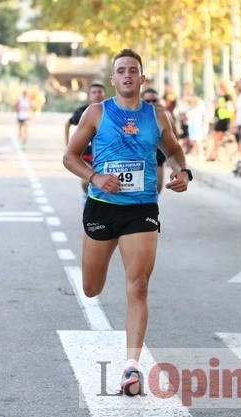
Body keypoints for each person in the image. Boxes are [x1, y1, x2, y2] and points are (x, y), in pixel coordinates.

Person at [63, 49, 190, 396]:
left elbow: (175, 151)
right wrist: (94, 177)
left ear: (142, 78)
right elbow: (69, 156)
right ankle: (94, 274)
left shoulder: (158, 116)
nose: (128, 76)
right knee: (92, 288)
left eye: (133, 70)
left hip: (141, 208)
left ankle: (131, 366)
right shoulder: (96, 113)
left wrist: (183, 172)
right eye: (121, 71)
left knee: (138, 286)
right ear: (114, 79)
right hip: (103, 207)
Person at [65, 82, 107, 194]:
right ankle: (86, 196)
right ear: (89, 95)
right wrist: (67, 144)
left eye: (100, 92)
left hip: (103, 152)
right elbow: (68, 123)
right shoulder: (82, 111)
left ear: (104, 94)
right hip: (86, 153)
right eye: (94, 92)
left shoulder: (110, 111)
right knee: (86, 180)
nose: (97, 95)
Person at [141, 88, 170, 193]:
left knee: (158, 187)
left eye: (154, 100)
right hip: (141, 156)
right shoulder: (135, 116)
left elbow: (175, 138)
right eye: (147, 101)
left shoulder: (164, 115)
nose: (151, 103)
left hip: (158, 154)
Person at [208, 81, 234, 161]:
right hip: (219, 119)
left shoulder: (227, 97)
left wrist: (219, 105)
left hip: (225, 119)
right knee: (217, 138)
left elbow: (229, 108)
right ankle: (215, 155)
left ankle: (216, 155)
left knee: (220, 138)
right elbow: (216, 109)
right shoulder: (219, 97)